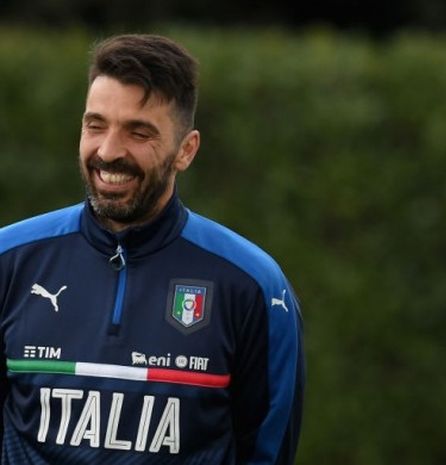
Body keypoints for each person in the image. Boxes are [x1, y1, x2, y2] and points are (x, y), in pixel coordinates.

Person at [0, 34, 304, 464]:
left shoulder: (254, 285)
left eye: (138, 132)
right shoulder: (9, 261)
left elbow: (267, 452)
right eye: (96, 124)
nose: (108, 151)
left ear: (186, 150)